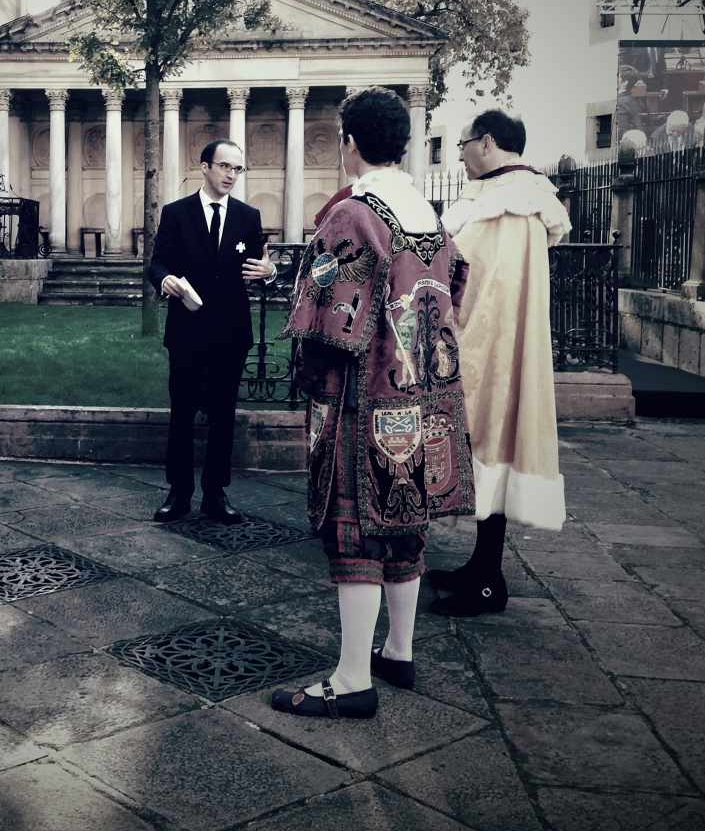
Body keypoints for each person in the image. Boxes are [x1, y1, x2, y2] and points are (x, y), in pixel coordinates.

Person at [271, 87, 473, 719]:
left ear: (349, 142)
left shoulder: (354, 214)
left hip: (366, 399)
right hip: (424, 399)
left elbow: (327, 317)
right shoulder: (429, 214)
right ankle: (399, 650)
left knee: (353, 532)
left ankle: (353, 678)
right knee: (406, 527)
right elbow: (454, 286)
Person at [429, 109, 569, 616]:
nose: (460, 153)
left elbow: (480, 286)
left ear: (486, 142)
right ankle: (481, 567)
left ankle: (487, 580)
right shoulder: (510, 197)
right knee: (491, 452)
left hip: (492, 349)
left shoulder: (513, 205)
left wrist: (453, 343)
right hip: (492, 344)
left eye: (463, 143)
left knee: (494, 449)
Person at [147, 139, 277, 525]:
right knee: (182, 413)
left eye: (237, 169)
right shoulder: (175, 213)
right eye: (224, 167)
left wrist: (269, 273)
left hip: (231, 333)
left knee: (223, 414)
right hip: (186, 331)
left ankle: (216, 494)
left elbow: (262, 267)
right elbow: (156, 264)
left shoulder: (248, 216)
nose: (231, 175)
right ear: (204, 167)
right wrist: (166, 278)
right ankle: (179, 493)